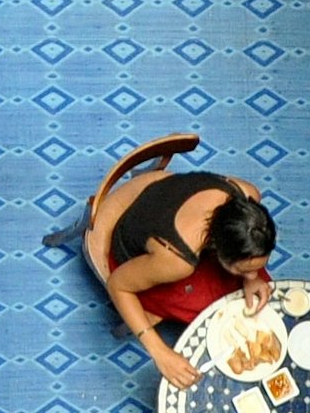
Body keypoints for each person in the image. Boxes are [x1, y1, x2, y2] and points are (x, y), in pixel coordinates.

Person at [84, 154, 276, 389]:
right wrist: (160, 352)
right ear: (219, 250)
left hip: (163, 197)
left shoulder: (247, 193)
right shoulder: (177, 262)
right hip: (133, 249)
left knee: (247, 288)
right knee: (207, 307)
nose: (251, 275)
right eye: (243, 269)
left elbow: (249, 260)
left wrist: (252, 278)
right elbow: (118, 285)